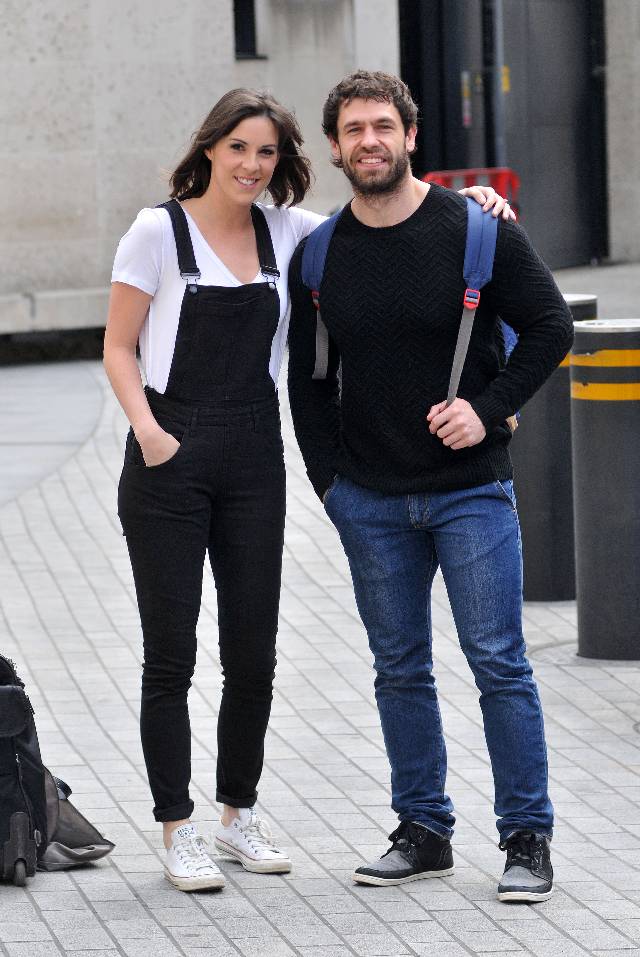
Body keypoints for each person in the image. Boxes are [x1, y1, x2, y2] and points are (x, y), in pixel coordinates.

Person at [103, 87, 511, 893]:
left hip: (256, 458)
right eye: (239, 149)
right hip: (167, 460)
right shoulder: (157, 230)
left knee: (253, 654)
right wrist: (149, 432)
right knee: (170, 657)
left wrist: (471, 206)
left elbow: (386, 216)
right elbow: (117, 345)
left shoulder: (290, 234)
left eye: (267, 153)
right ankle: (177, 827)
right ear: (210, 148)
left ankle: (236, 815)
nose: (252, 166)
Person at [287, 71, 573, 902]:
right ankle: (423, 829)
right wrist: (330, 485)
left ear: (411, 136)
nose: (369, 141)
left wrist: (488, 411)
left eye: (384, 125)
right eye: (353, 129)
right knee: (399, 668)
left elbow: (551, 323)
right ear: (337, 146)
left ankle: (527, 836)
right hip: (368, 499)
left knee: (499, 663)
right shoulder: (319, 254)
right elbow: (306, 383)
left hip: (470, 491)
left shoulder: (476, 232)